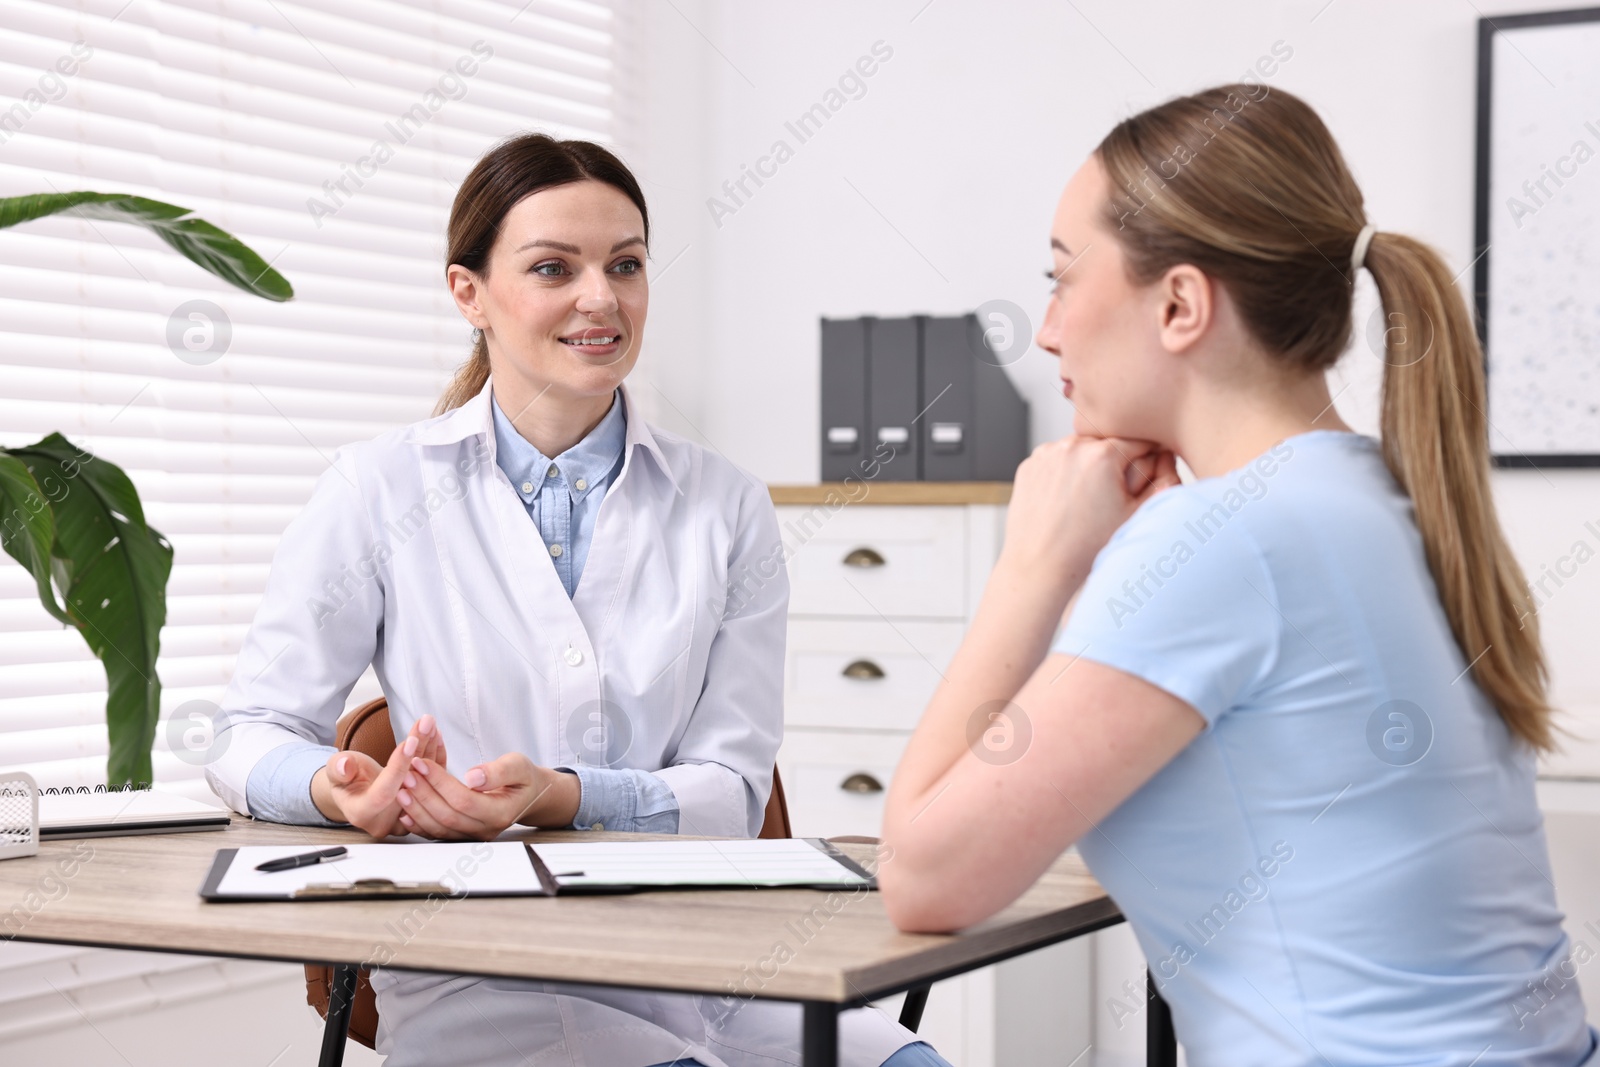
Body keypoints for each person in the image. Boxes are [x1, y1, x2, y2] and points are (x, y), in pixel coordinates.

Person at [878, 83, 1597, 1067]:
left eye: (1059, 279)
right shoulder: (1383, 498)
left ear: (1178, 303)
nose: (1044, 330)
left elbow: (922, 877)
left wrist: (1033, 567)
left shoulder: (1223, 540)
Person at [206, 133, 947, 1067]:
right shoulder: (376, 490)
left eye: (625, 265)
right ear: (467, 291)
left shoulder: (727, 505)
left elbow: (731, 791)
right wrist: (336, 787)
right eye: (554, 267)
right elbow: (244, 735)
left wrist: (562, 796)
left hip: (701, 951)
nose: (601, 297)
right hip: (477, 961)